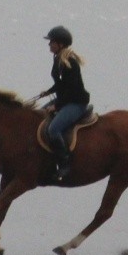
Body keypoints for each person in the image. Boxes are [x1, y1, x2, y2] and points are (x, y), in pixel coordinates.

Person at [40, 25, 90, 184]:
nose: (49, 45)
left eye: (51, 42)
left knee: (53, 129)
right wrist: (48, 92)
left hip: (76, 102)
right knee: (39, 115)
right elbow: (62, 85)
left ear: (60, 44)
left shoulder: (69, 62)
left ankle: (65, 163)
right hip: (66, 98)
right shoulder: (58, 58)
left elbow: (71, 89)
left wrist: (56, 106)